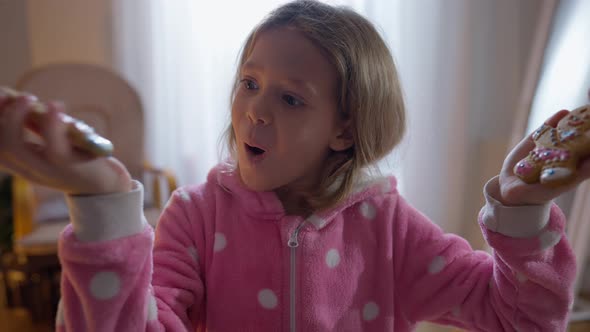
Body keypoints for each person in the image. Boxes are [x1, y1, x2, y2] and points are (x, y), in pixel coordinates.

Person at [0, 1, 588, 331]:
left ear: (345, 128)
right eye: (249, 83)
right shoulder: (195, 218)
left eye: (289, 97)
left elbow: (523, 319)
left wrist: (521, 212)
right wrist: (104, 202)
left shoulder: (387, 225)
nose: (252, 110)